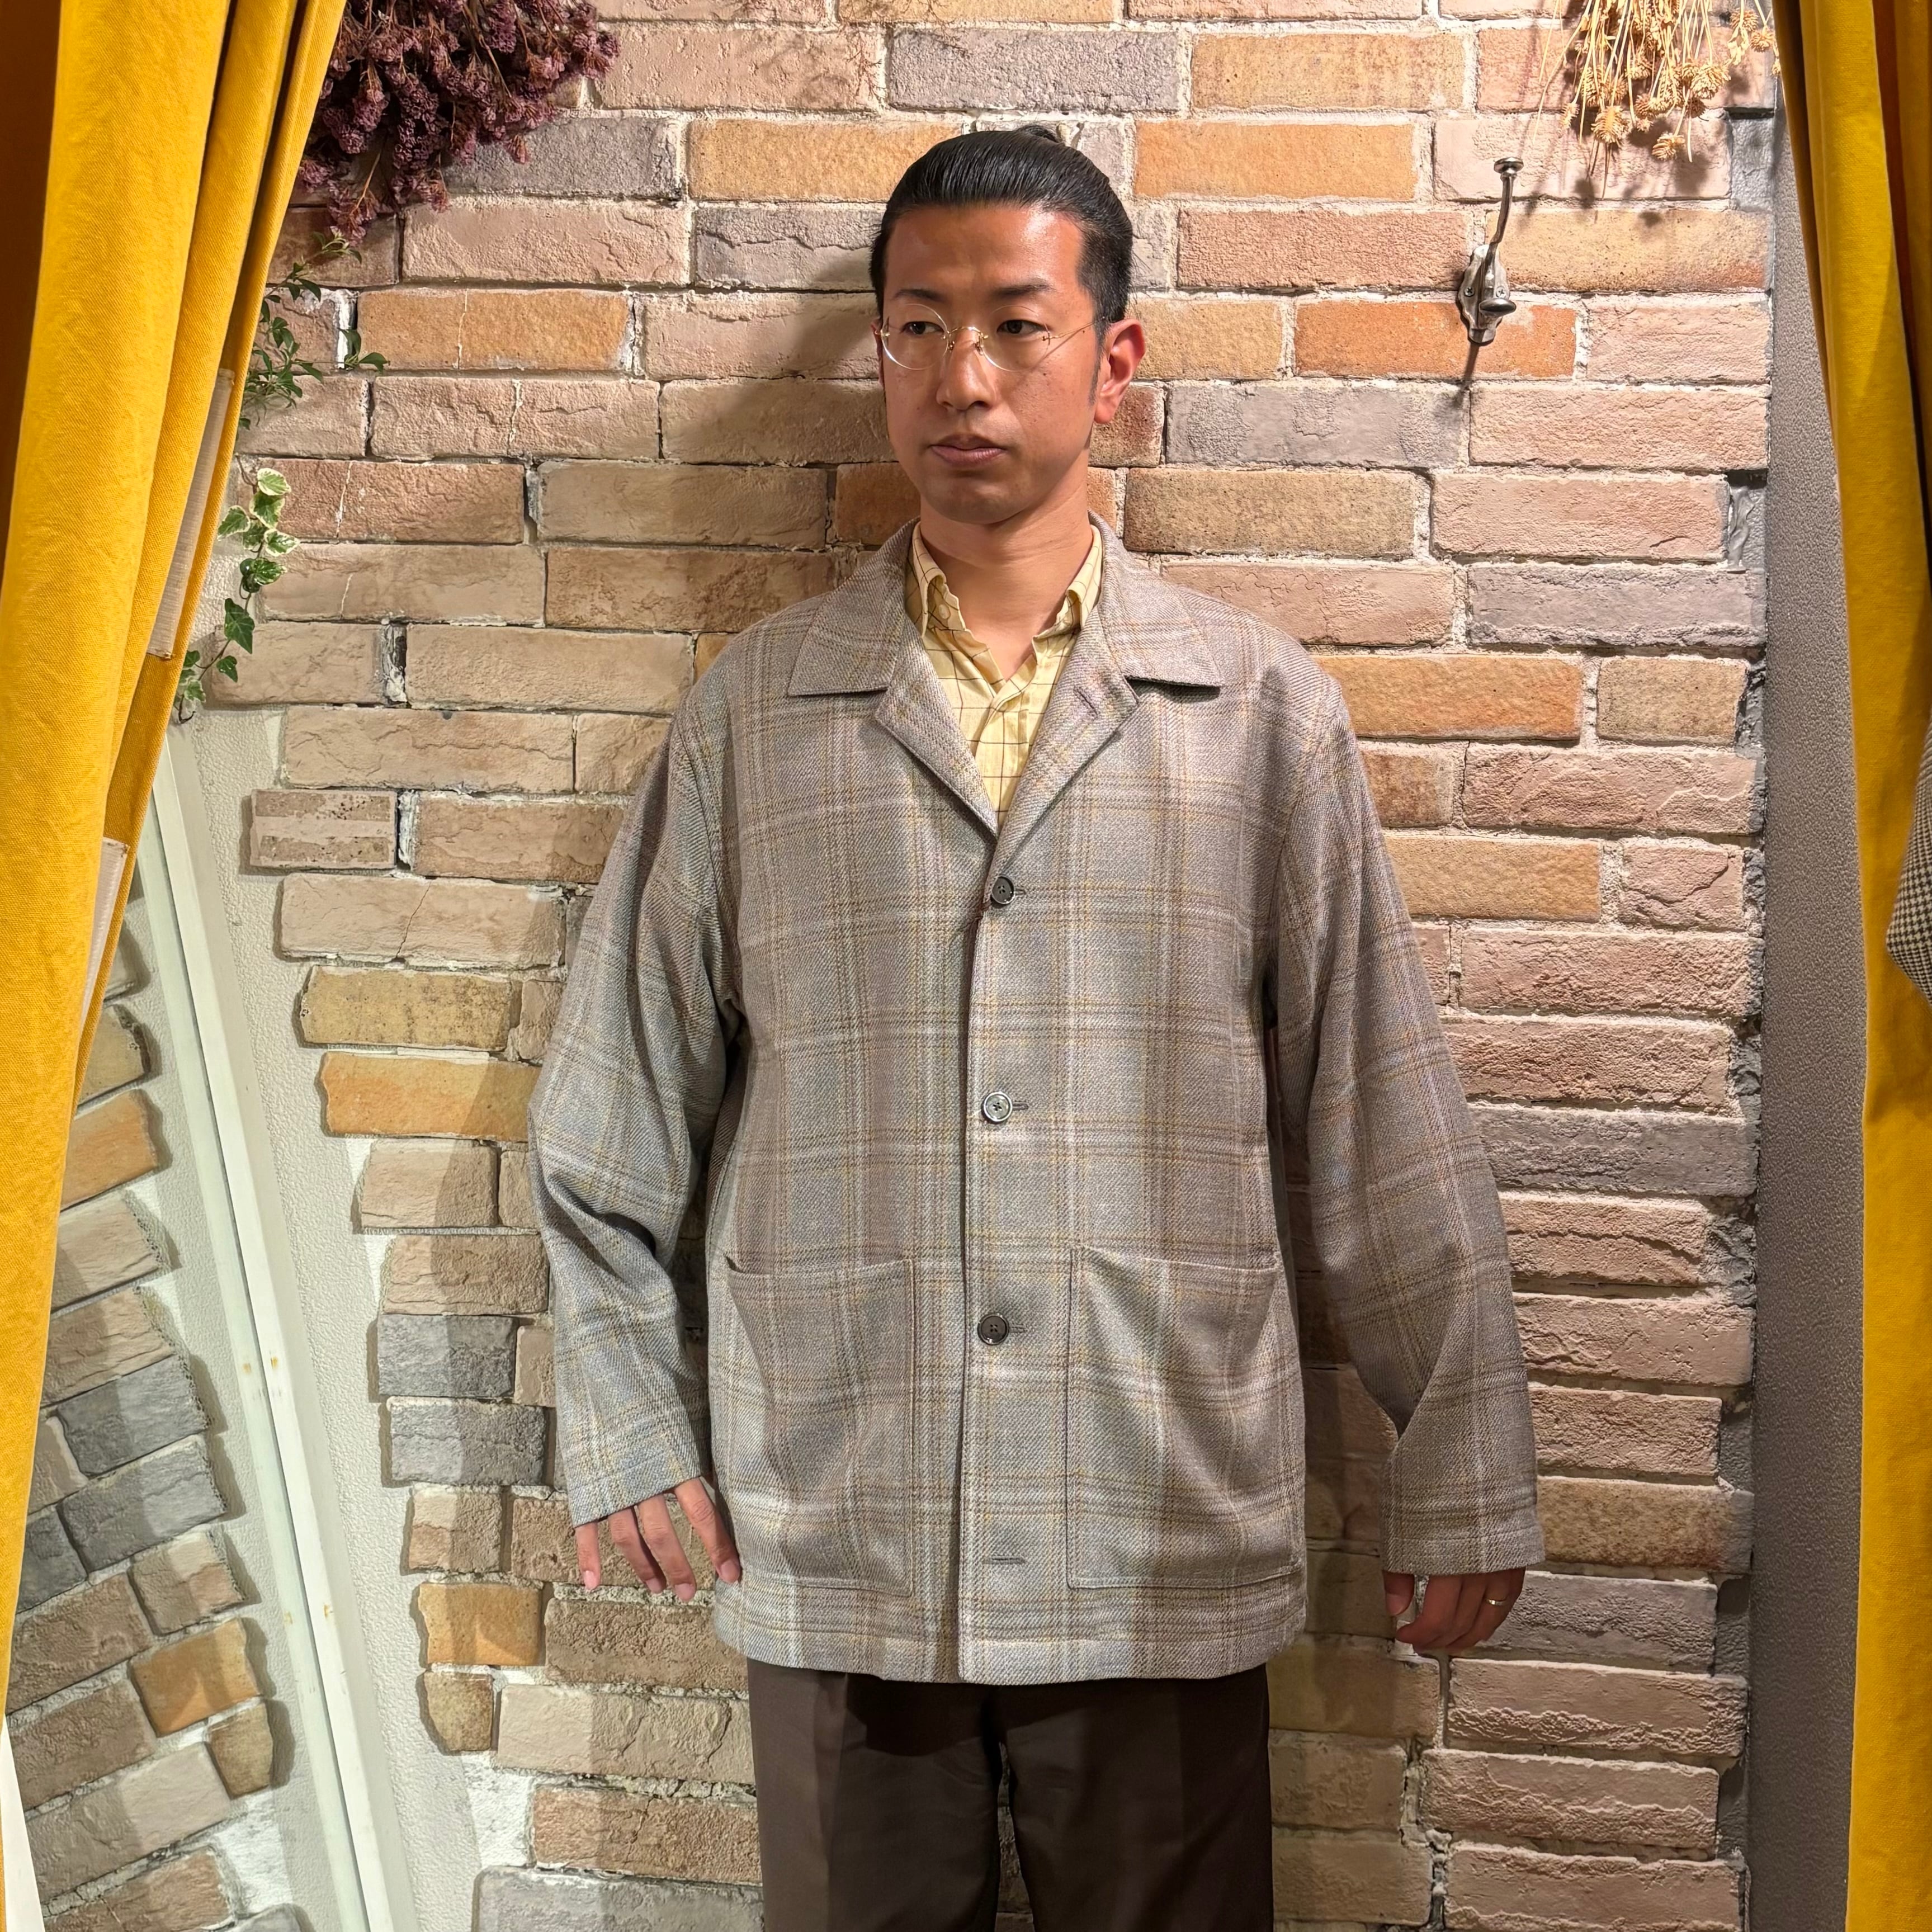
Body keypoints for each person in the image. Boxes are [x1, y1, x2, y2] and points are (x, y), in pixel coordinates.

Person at [527, 124, 1544, 1932]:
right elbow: (613, 1108)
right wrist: (624, 1417)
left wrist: (1460, 1460)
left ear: (1113, 358)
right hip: (845, 1509)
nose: (962, 376)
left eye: (1013, 323)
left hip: (1148, 1509)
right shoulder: (759, 717)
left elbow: (1379, 1119)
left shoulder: (1253, 717)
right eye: (917, 329)